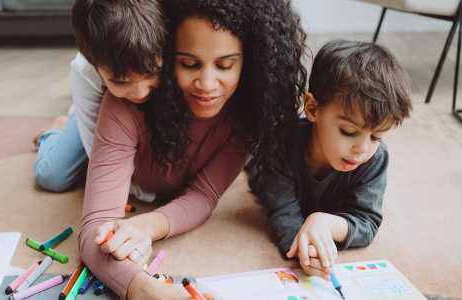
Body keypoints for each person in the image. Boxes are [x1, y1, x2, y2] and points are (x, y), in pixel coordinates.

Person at [78, 0, 307, 299]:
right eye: (188, 64)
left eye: (225, 65)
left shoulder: (248, 115)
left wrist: (147, 225)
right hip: (106, 128)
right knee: (58, 167)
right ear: (168, 54)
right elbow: (95, 227)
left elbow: (203, 195)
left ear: (250, 62)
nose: (207, 84)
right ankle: (68, 123)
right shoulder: (126, 102)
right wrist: (147, 290)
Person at [247, 39, 412, 280]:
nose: (362, 149)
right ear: (313, 108)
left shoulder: (375, 158)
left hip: (321, 206)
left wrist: (325, 223)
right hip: (263, 164)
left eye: (376, 136)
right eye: (348, 131)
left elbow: (367, 221)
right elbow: (283, 213)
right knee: (253, 158)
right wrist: (308, 251)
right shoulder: (281, 143)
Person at [33, 0, 164, 201]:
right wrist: (146, 192)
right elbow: (100, 159)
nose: (140, 92)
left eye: (151, 73)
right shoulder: (84, 70)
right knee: (52, 176)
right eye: (121, 81)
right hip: (95, 111)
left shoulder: (159, 37)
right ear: (94, 66)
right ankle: (57, 130)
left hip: (150, 114)